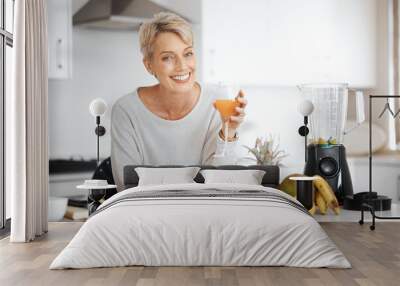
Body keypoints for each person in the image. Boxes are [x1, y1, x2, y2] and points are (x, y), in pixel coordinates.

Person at [111, 12, 247, 190]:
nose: (182, 66)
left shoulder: (217, 101)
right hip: (147, 213)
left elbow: (220, 184)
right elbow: (126, 186)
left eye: (188, 53)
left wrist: (228, 133)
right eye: (168, 57)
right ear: (149, 65)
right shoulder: (126, 110)